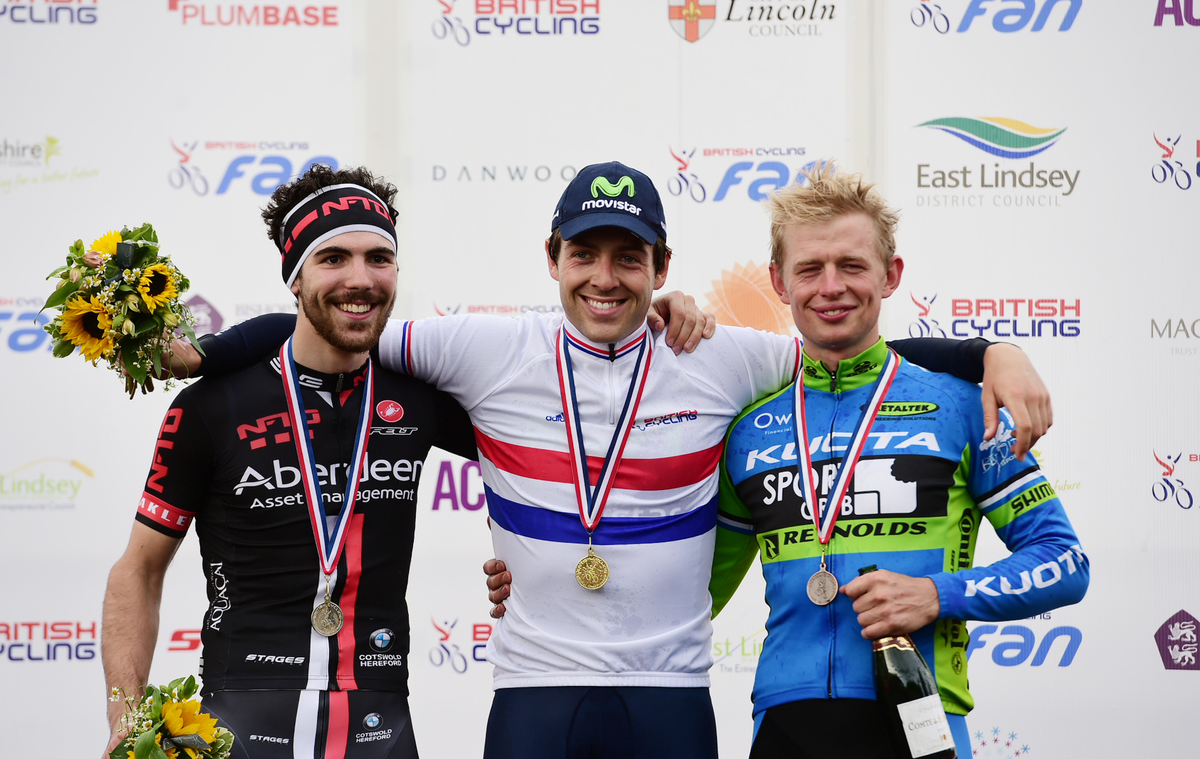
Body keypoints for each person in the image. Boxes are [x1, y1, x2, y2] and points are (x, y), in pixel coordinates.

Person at [197, 161, 1051, 759]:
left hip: (671, 695)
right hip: (533, 691)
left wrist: (988, 352)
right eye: (586, 254)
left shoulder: (727, 357)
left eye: (630, 258)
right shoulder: (480, 345)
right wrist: (204, 358)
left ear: (662, 267)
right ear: (552, 259)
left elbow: (853, 352)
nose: (605, 278)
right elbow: (338, 325)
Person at [708, 164, 1089, 757]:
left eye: (852, 266)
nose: (830, 286)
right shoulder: (748, 430)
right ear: (779, 284)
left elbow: (1065, 562)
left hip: (921, 714)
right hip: (785, 722)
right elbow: (692, 593)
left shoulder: (963, 407)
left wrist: (936, 595)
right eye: (809, 269)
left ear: (891, 276)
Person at [101, 166, 482, 758]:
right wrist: (126, 717)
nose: (361, 278)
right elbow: (139, 571)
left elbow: (543, 456)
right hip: (240, 714)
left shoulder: (419, 395)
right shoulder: (213, 405)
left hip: (378, 717)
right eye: (334, 258)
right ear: (295, 277)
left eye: (379, 258)